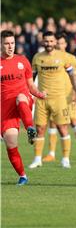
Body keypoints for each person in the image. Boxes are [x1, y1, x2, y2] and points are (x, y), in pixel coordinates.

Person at [28, 31, 76, 169]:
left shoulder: (63, 57)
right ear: (42, 42)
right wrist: (32, 93)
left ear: (55, 42)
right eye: (46, 41)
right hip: (42, 99)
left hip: (59, 98)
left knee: (63, 128)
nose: (49, 44)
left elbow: (72, 76)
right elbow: (31, 79)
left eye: (51, 41)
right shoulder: (37, 58)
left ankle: (65, 159)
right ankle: (37, 159)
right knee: (40, 129)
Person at [1, 30, 46, 185]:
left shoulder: (23, 61)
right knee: (11, 143)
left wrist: (39, 94)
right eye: (6, 43)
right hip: (6, 108)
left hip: (23, 100)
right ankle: (23, 175)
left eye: (12, 43)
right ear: (1, 44)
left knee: (20, 97)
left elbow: (31, 86)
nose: (10, 46)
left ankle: (30, 129)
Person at [42, 33, 76, 163]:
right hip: (55, 96)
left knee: (74, 121)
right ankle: (51, 153)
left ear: (65, 44)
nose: (59, 46)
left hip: (68, 95)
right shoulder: (49, 58)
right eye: (57, 43)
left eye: (61, 43)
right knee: (53, 122)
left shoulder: (71, 58)